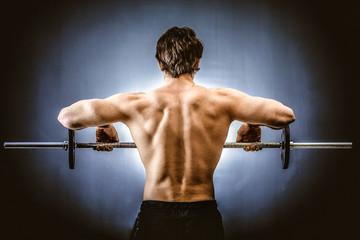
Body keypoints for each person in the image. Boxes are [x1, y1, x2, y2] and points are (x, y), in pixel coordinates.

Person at [58, 26, 295, 240]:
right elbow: (285, 116)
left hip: (156, 214)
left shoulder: (136, 104)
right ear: (198, 62)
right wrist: (252, 123)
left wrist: (104, 123)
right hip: (203, 215)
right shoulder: (222, 101)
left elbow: (68, 117)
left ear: (159, 63)